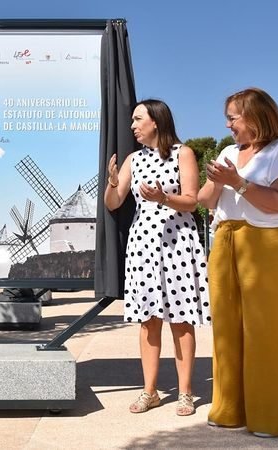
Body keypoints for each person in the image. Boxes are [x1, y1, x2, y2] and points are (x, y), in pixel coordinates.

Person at [198, 87, 278, 438]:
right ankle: (229, 408)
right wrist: (216, 183)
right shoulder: (228, 152)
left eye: (233, 117)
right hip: (226, 239)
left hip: (268, 243)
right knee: (226, 329)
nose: (228, 125)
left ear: (255, 116)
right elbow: (206, 200)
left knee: (267, 331)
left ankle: (267, 415)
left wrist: (238, 182)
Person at [104, 99, 210, 416]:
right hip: (143, 245)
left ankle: (185, 392)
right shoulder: (134, 159)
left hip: (178, 243)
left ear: (156, 121)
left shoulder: (183, 153)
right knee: (148, 321)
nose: (133, 126)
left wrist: (163, 197)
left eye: (138, 119)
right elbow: (114, 202)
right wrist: (112, 182)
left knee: (181, 320)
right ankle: (149, 391)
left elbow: (191, 201)